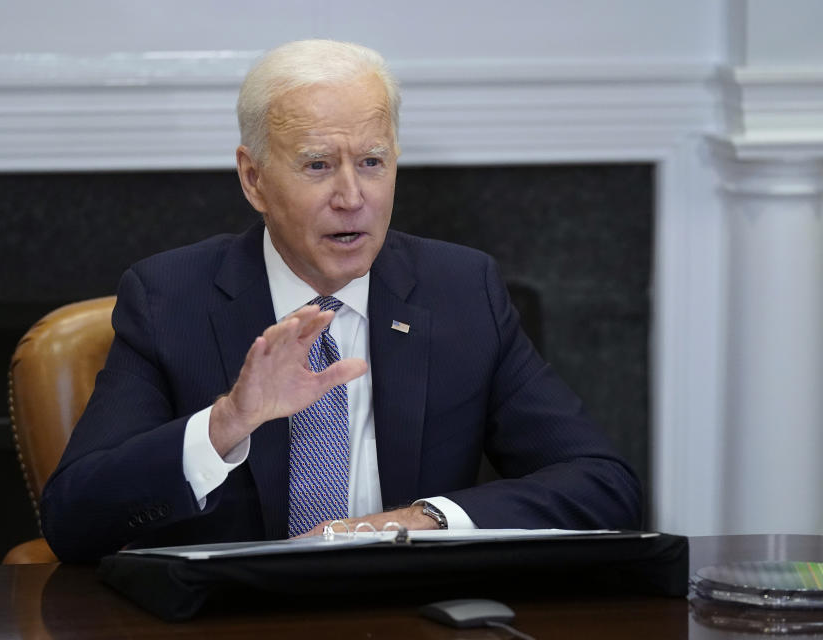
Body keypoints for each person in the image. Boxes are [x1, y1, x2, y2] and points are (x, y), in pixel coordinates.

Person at [40, 39, 642, 562]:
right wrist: (228, 423)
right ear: (254, 179)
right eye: (318, 165)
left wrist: (419, 523)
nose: (352, 197)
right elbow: (72, 520)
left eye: (372, 163)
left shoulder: (461, 290)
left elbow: (602, 484)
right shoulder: (170, 299)